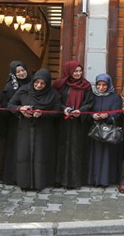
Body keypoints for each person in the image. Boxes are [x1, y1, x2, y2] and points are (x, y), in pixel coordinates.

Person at [8, 69, 62, 191]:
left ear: (47, 84)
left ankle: (39, 183)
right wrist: (21, 109)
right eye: (36, 82)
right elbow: (10, 105)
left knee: (40, 156)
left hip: (44, 130)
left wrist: (42, 114)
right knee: (24, 154)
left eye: (42, 83)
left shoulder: (53, 94)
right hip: (25, 128)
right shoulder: (24, 90)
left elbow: (57, 111)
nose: (38, 85)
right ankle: (24, 182)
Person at [52, 61, 95, 189]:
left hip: (78, 124)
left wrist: (80, 111)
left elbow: (90, 103)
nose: (78, 73)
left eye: (80, 71)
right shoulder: (60, 85)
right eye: (75, 71)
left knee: (76, 150)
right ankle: (59, 180)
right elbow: (54, 101)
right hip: (62, 123)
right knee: (61, 150)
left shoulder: (86, 85)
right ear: (69, 71)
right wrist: (63, 108)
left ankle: (74, 181)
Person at [87, 73, 123, 187]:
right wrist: (93, 116)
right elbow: (87, 111)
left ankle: (106, 180)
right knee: (95, 156)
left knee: (107, 156)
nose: (101, 88)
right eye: (99, 85)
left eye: (104, 85)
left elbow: (117, 113)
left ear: (109, 85)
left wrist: (107, 116)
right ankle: (94, 179)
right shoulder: (92, 96)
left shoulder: (115, 97)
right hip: (95, 132)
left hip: (108, 133)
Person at [2, 61, 31, 185]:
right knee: (15, 148)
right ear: (13, 73)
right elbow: (7, 106)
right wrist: (19, 111)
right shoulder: (9, 87)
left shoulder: (33, 82)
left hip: (30, 121)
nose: (21, 73)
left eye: (23, 70)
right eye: (18, 72)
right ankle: (13, 176)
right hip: (15, 122)